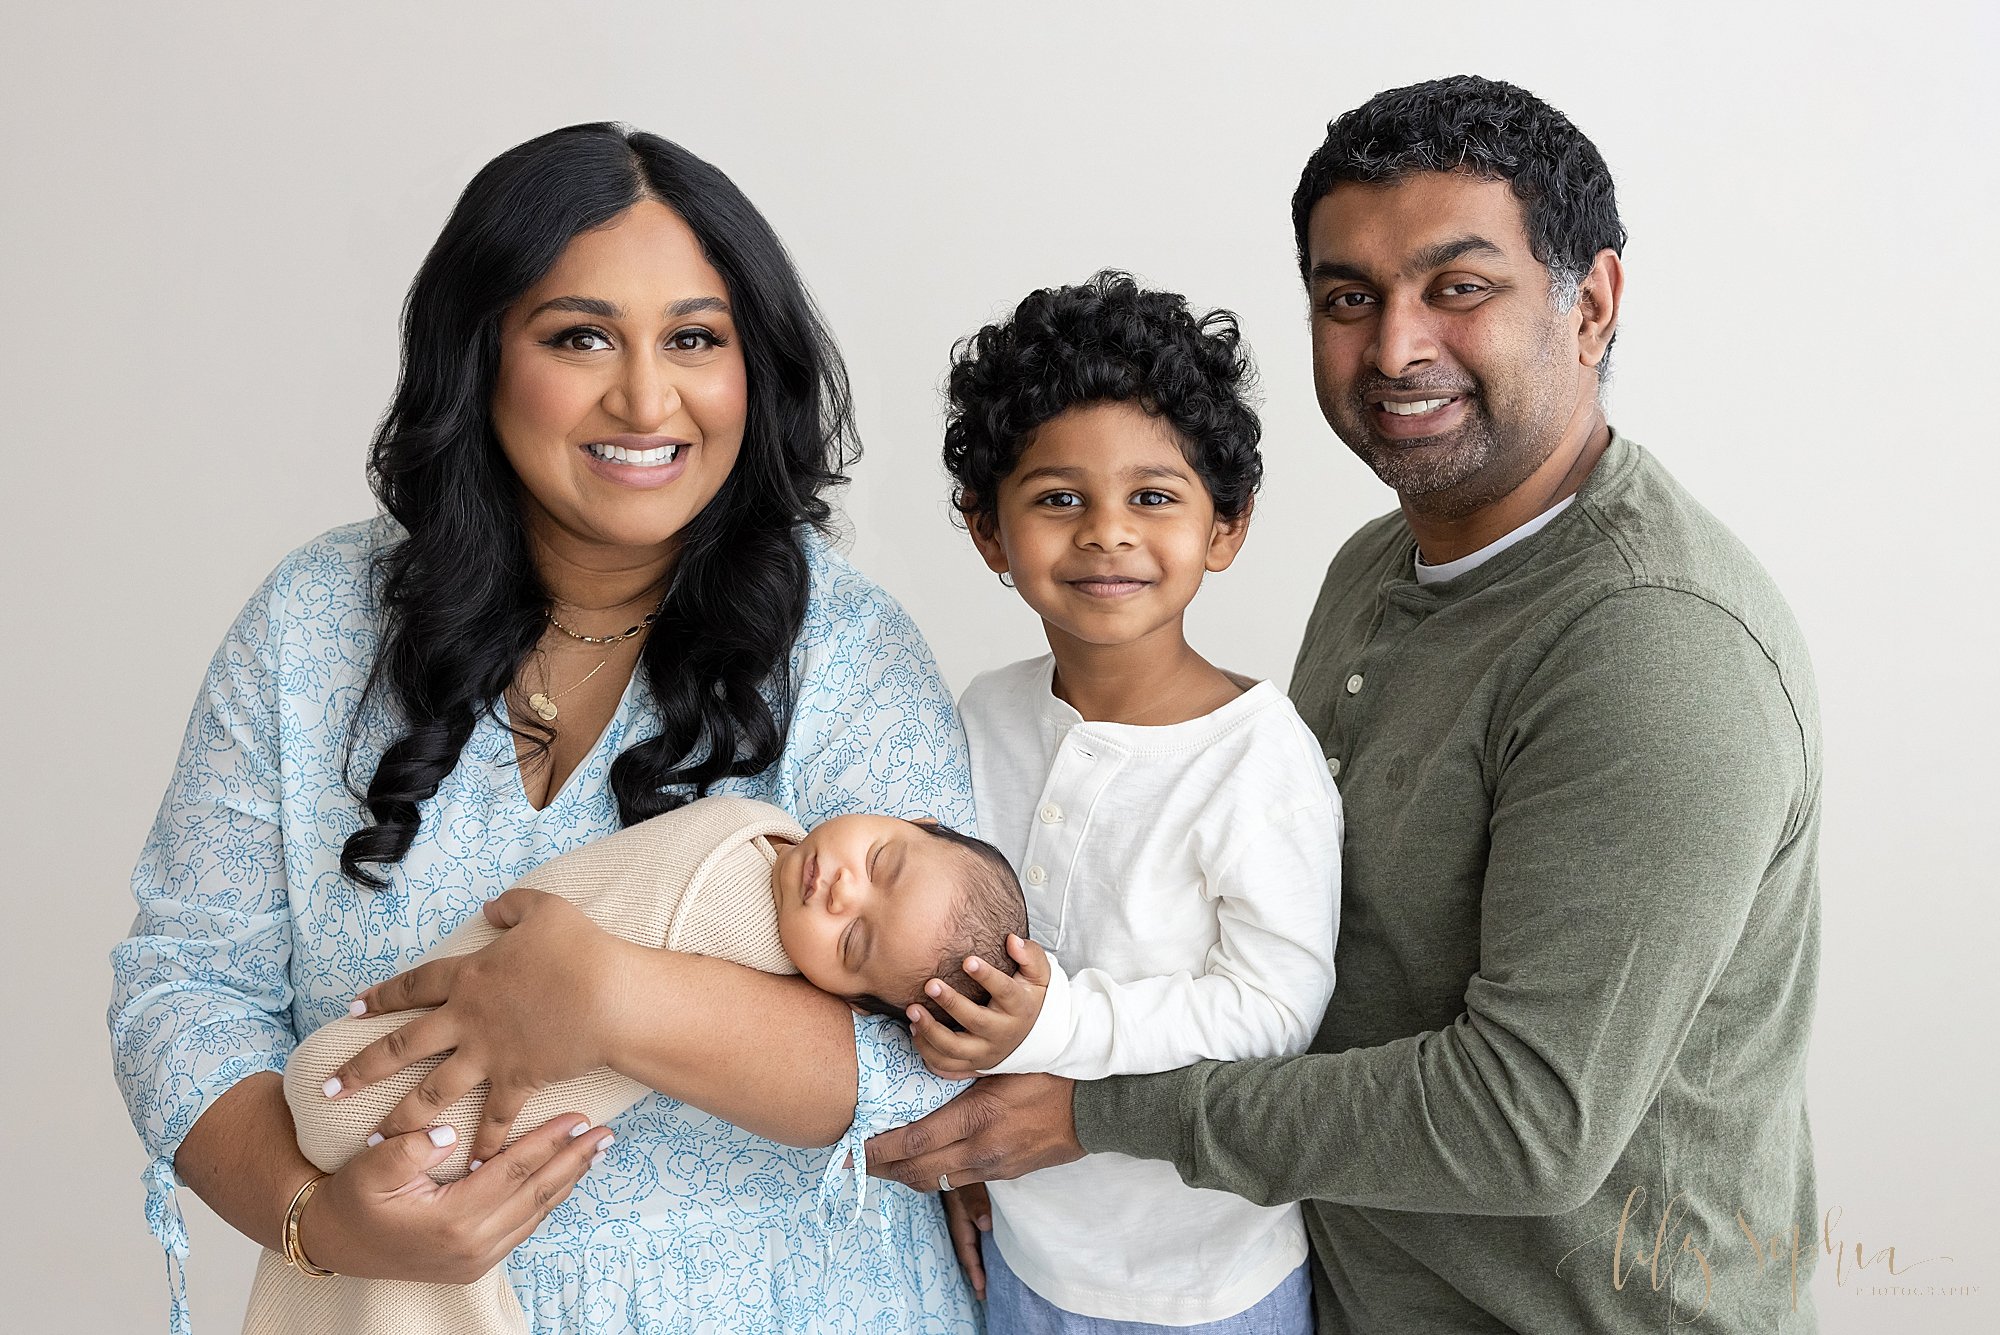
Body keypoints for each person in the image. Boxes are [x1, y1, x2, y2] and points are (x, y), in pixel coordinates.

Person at [867, 76, 1823, 1335]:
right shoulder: (1377, 567)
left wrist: (1079, 1120)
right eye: (1346, 298)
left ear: (1587, 306)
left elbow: (1523, 1123)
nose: (1394, 347)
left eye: (1458, 287)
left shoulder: (1654, 653)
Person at [110, 123, 982, 1335]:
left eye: (694, 338)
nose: (644, 396)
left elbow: (929, 1059)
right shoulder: (313, 626)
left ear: (753, 366)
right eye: (580, 337)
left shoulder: (841, 647)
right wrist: (318, 1215)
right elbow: (182, 988)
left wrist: (610, 997)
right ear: (479, 357)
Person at [912, 273, 1341, 1332]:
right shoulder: (983, 716)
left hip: (1207, 1287)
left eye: (1152, 497)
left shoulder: (1254, 757)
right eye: (1059, 499)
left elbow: (1274, 1010)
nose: (1105, 532)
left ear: (1224, 527)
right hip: (1017, 1254)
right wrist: (957, 1145)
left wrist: (1060, 1018)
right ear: (988, 533)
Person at [251, 796, 1026, 1335]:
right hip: (350, 1153)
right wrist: (308, 1220)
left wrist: (602, 995)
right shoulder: (748, 842)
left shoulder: (746, 912)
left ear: (856, 1000)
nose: (840, 889)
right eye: (882, 860)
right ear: (916, 819)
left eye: (854, 945)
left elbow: (902, 1088)